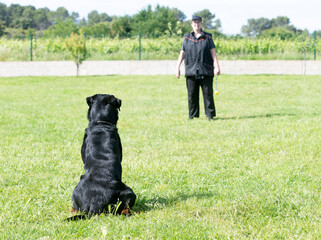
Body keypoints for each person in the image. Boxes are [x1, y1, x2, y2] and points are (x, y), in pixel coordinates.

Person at [176, 16, 221, 120]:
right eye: (194, 22)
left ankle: (210, 115)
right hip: (191, 70)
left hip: (206, 69)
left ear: (201, 24)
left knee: (208, 94)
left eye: (198, 22)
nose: (196, 24)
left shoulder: (208, 37)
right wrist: (177, 67)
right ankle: (193, 115)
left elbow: (213, 52)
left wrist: (217, 66)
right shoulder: (187, 37)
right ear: (191, 24)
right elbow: (182, 53)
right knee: (192, 95)